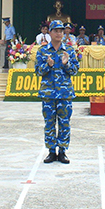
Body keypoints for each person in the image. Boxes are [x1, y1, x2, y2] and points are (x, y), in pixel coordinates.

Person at [35, 20, 79, 163]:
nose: (59, 33)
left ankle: (63, 151)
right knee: (49, 122)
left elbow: (74, 71)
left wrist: (66, 64)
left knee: (64, 122)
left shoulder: (69, 50)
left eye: (61, 31)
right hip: (48, 93)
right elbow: (38, 71)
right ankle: (51, 151)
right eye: (56, 31)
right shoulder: (43, 50)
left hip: (64, 93)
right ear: (50, 32)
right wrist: (48, 65)